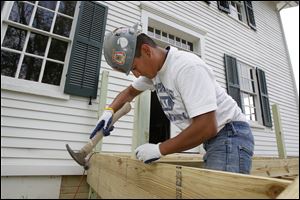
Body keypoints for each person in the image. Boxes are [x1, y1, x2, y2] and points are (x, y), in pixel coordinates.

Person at [91, 24, 255, 174]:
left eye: (134, 67)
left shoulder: (186, 67)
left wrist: (159, 149)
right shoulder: (155, 73)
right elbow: (129, 92)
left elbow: (206, 126)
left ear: (147, 51)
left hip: (230, 134)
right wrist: (109, 111)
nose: (136, 74)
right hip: (214, 138)